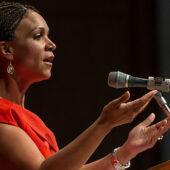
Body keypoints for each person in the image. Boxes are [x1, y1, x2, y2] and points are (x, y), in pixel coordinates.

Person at [0, 1, 169, 170]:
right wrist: (104, 124)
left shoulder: (30, 120)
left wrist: (128, 150)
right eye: (38, 36)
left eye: (48, 36)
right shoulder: (2, 118)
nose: (52, 44)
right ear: (7, 49)